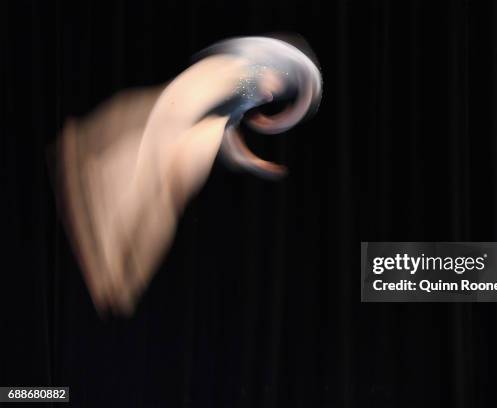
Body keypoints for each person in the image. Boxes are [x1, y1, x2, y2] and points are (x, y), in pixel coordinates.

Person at [49, 36, 322, 316]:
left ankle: (120, 270)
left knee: (168, 195)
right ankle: (96, 172)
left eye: (273, 95)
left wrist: (256, 161)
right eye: (273, 87)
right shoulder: (249, 67)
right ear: (271, 73)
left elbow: (231, 140)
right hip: (190, 100)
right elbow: (306, 79)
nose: (271, 94)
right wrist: (285, 116)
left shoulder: (247, 99)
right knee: (146, 165)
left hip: (204, 121)